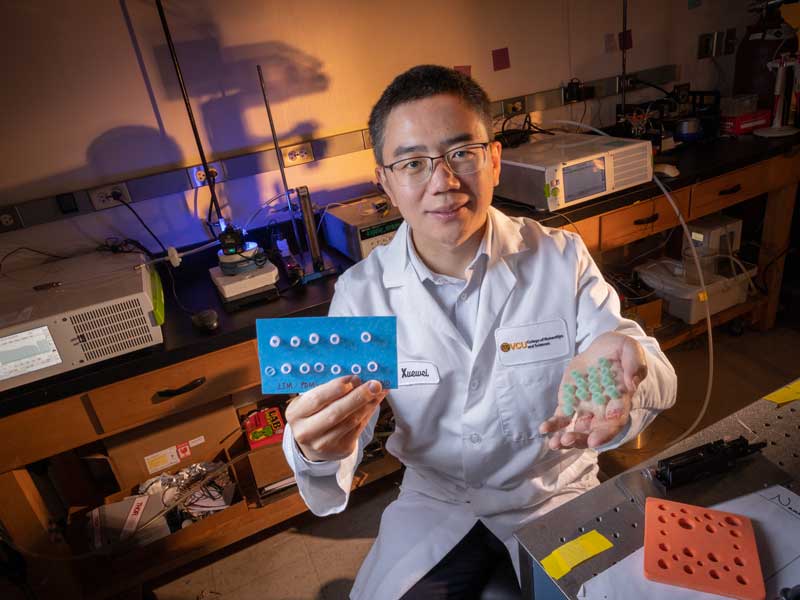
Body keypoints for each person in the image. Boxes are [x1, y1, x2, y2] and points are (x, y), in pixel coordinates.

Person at [282, 65, 677, 599]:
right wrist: (315, 449)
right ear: (387, 182)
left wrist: (628, 362)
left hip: (556, 494)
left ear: (493, 160)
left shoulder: (560, 258)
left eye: (461, 153)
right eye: (413, 163)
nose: (442, 183)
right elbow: (337, 422)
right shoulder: (364, 294)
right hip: (439, 503)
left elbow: (660, 378)